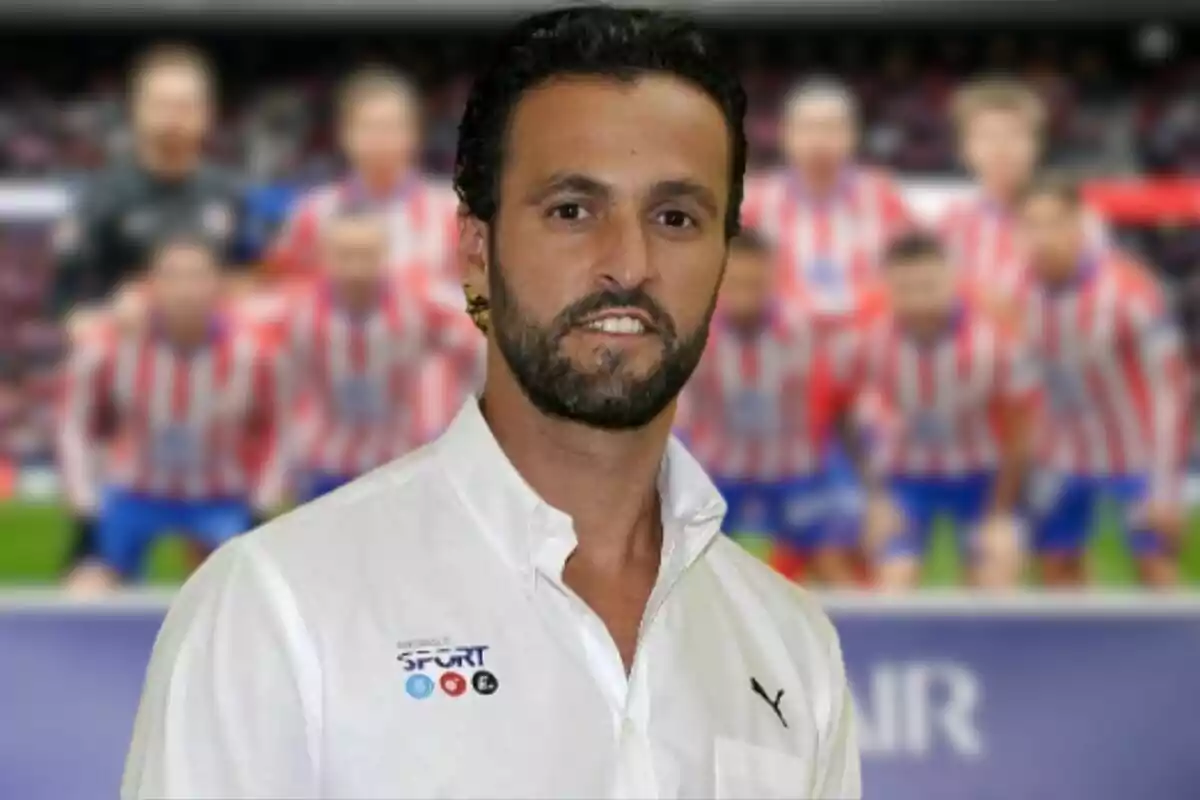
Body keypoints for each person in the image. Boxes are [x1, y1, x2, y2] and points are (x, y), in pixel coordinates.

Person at [122, 7, 860, 799]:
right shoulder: (274, 608)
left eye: (675, 217)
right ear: (477, 252)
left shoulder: (791, 645)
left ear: (724, 258)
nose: (629, 262)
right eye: (573, 210)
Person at [51, 43, 250, 578]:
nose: (174, 118)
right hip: (132, 407)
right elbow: (67, 297)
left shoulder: (228, 196)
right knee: (94, 578)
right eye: (161, 104)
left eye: (186, 105)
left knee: (231, 588)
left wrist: (213, 298)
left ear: (207, 113)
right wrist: (100, 315)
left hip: (213, 409)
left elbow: (262, 281)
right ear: (137, 111)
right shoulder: (103, 197)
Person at [56, 232, 287, 595]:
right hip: (133, 494)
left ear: (218, 285)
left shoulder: (254, 353)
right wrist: (85, 505)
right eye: (173, 277)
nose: (185, 289)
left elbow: (281, 426)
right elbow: (75, 427)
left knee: (247, 600)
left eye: (197, 276)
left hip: (221, 496)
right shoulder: (109, 348)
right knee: (85, 593)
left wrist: (263, 500)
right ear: (151, 285)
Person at [267, 66, 469, 444]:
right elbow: (283, 301)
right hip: (333, 420)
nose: (381, 140)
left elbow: (482, 308)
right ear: (345, 135)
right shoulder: (313, 214)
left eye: (392, 128)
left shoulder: (449, 214)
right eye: (369, 128)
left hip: (426, 419)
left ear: (414, 135)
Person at [1009, 176, 1187, 587]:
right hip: (1062, 460)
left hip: (1135, 457)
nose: (1043, 236)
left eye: (1055, 223)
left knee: (1156, 570)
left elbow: (1171, 388)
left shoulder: (1129, 289)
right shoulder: (1015, 293)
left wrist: (1164, 486)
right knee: (1056, 570)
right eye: (1032, 224)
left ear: (1079, 225)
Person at [678, 231, 865, 585]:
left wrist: (858, 485)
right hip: (720, 476)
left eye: (755, 282)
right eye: (736, 282)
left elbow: (843, 411)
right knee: (683, 571)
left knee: (834, 564)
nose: (745, 292)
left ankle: (853, 635)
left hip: (796, 475)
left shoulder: (810, 333)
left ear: (773, 279)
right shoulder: (690, 336)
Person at [854, 231, 1035, 590]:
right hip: (904, 480)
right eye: (906, 288)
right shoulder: (868, 341)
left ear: (952, 280)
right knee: (894, 582)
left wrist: (1000, 512)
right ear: (888, 287)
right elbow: (841, 414)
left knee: (997, 574)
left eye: (929, 286)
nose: (919, 300)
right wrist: (874, 497)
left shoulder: (995, 345)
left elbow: (1021, 432)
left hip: (980, 479)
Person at [279, 204, 482, 502]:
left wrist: (461, 419)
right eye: (345, 255)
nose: (356, 267)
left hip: (400, 456)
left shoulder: (420, 303)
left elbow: (477, 354)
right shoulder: (295, 312)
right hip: (323, 460)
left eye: (366, 255)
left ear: (384, 255)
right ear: (325, 258)